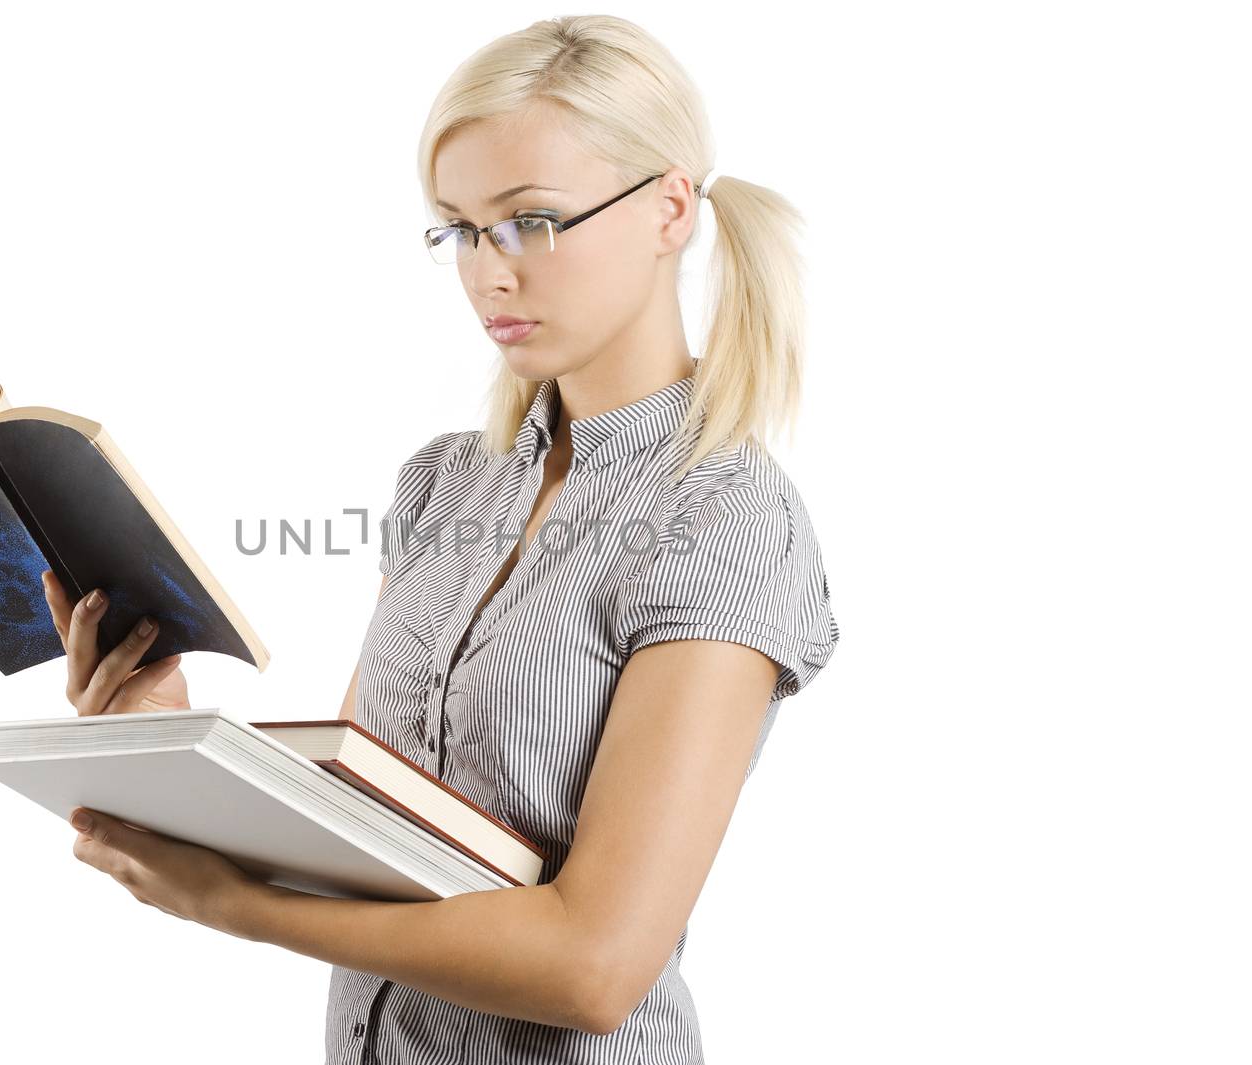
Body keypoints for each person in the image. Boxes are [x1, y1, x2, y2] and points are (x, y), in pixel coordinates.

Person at [43, 13, 840, 1064]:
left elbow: (594, 968)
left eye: (531, 221)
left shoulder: (725, 516)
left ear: (669, 208)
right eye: (459, 228)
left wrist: (232, 908)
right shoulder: (442, 483)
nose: (486, 273)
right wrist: (169, 737)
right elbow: (356, 832)